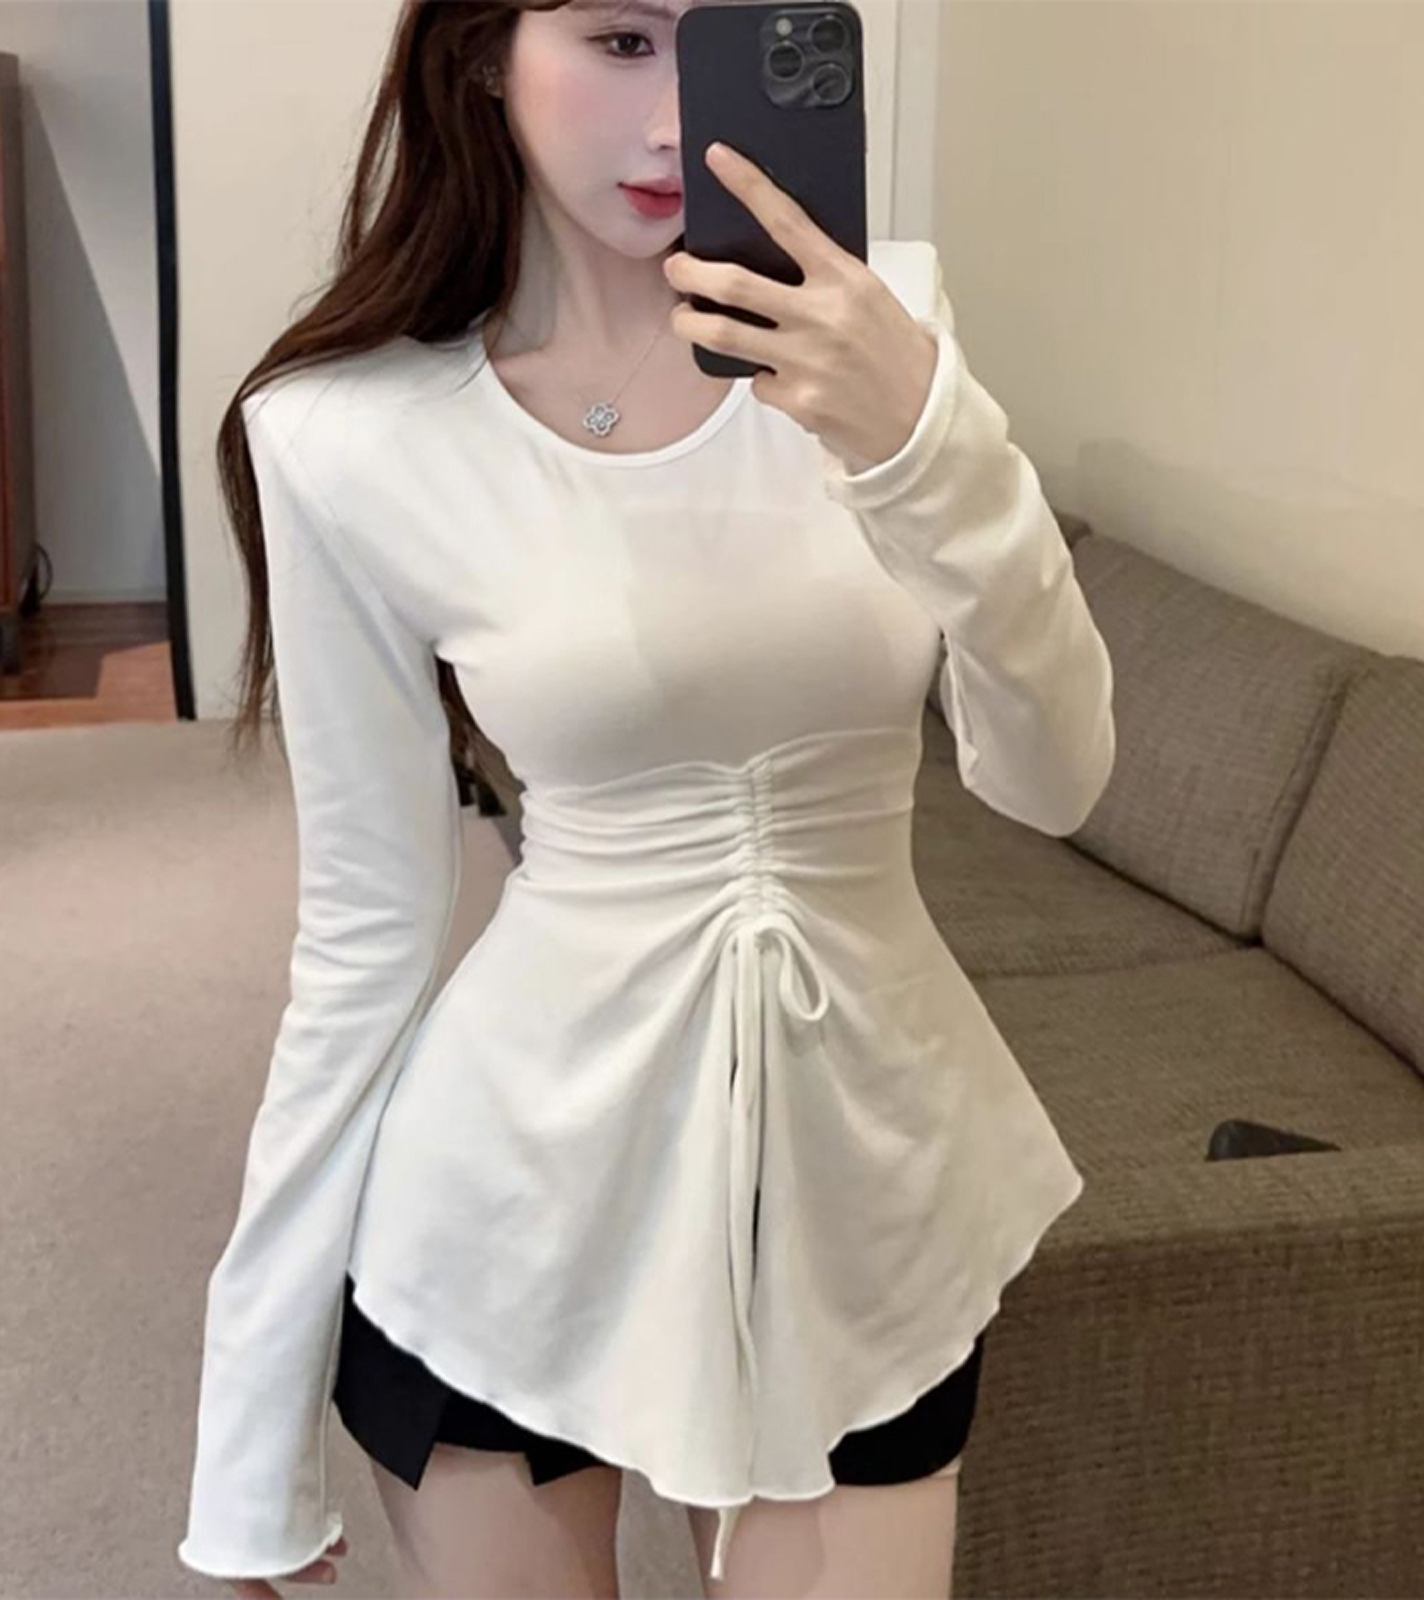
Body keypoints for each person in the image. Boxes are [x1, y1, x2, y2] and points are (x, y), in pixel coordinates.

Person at [177, 1, 1117, 1596]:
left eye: (720, 33)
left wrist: (920, 443)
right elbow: (365, 934)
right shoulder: (347, 435)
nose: (681, 118)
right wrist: (245, 1427)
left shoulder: (889, 326)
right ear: (483, 52)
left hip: (859, 1203)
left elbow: (1053, 779)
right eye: (622, 40)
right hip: (508, 1200)